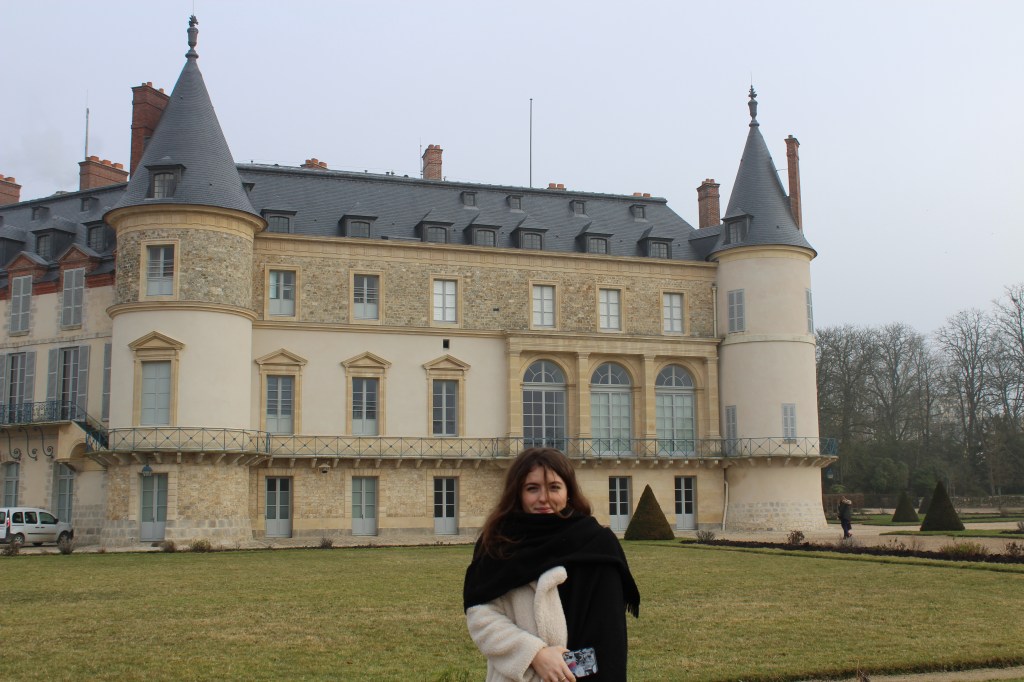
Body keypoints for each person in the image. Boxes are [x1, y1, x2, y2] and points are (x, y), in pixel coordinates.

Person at [463, 448, 640, 682]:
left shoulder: (595, 543)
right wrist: (534, 655)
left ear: (568, 492)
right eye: (532, 488)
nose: (543, 498)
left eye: (554, 487)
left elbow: (607, 635)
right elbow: (480, 613)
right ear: (517, 493)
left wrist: (563, 670)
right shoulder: (498, 543)